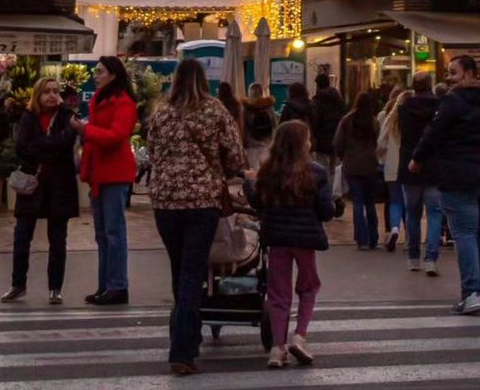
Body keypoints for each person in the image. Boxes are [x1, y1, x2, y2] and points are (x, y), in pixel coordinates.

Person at [147, 58, 246, 377]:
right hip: (202, 200)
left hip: (165, 201)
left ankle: (188, 333)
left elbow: (151, 151)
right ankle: (182, 350)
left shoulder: (161, 111)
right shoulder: (214, 110)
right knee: (193, 273)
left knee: (179, 272)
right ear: (204, 79)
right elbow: (235, 155)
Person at [409, 55, 480, 315]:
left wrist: (417, 159)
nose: (449, 77)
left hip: (458, 174)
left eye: (454, 72)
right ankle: (477, 291)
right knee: (479, 232)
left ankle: (470, 292)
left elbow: (434, 132)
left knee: (464, 233)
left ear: (471, 73)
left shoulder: (453, 101)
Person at [247, 119, 334, 369]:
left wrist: (248, 183)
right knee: (308, 287)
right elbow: (325, 211)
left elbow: (258, 203)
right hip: (305, 240)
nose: (310, 142)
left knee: (277, 293)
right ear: (301, 143)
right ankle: (299, 336)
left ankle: (277, 347)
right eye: (307, 139)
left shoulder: (268, 170)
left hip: (276, 239)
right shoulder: (316, 172)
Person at [0, 77, 79, 305]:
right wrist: (51, 144)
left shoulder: (67, 116)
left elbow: (66, 144)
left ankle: (55, 288)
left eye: (55, 91)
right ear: (38, 95)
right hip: (32, 183)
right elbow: (23, 148)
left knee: (57, 239)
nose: (52, 96)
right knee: (22, 236)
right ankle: (18, 284)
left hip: (59, 185)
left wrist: (43, 146)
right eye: (47, 92)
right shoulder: (29, 117)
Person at [71, 56, 137, 305]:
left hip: (114, 173)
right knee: (103, 233)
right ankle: (106, 285)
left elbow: (116, 135)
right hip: (100, 172)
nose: (95, 75)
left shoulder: (123, 103)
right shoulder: (101, 99)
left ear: (113, 75)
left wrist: (85, 130)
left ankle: (117, 286)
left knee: (113, 232)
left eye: (99, 71)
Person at [398, 72, 446, 273]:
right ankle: (431, 258)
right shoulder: (440, 107)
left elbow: (403, 133)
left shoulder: (403, 108)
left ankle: (413, 257)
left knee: (412, 212)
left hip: (410, 163)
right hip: (434, 164)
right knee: (434, 213)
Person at [333, 91, 380, 250]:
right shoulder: (373, 121)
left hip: (352, 164)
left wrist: (343, 156)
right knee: (370, 202)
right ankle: (374, 237)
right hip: (370, 164)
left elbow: (338, 142)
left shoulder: (348, 120)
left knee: (357, 202)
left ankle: (362, 239)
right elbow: (378, 142)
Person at [377, 88, 412, 252]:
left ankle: (395, 229)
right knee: (410, 202)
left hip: (392, 164)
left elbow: (381, 143)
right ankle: (411, 237)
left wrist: (381, 157)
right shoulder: (416, 118)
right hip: (411, 165)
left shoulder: (391, 119)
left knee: (395, 200)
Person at [310, 73, 347, 179]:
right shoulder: (339, 99)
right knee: (334, 166)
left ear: (318, 84)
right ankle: (334, 189)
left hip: (321, 138)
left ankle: (327, 189)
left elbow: (315, 120)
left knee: (322, 166)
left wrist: (314, 135)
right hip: (336, 137)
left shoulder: (317, 101)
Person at [242, 82, 277, 169]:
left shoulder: (246, 108)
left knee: (253, 171)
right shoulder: (269, 107)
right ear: (262, 92)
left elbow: (243, 126)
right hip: (267, 143)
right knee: (266, 171)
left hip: (251, 144)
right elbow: (274, 124)